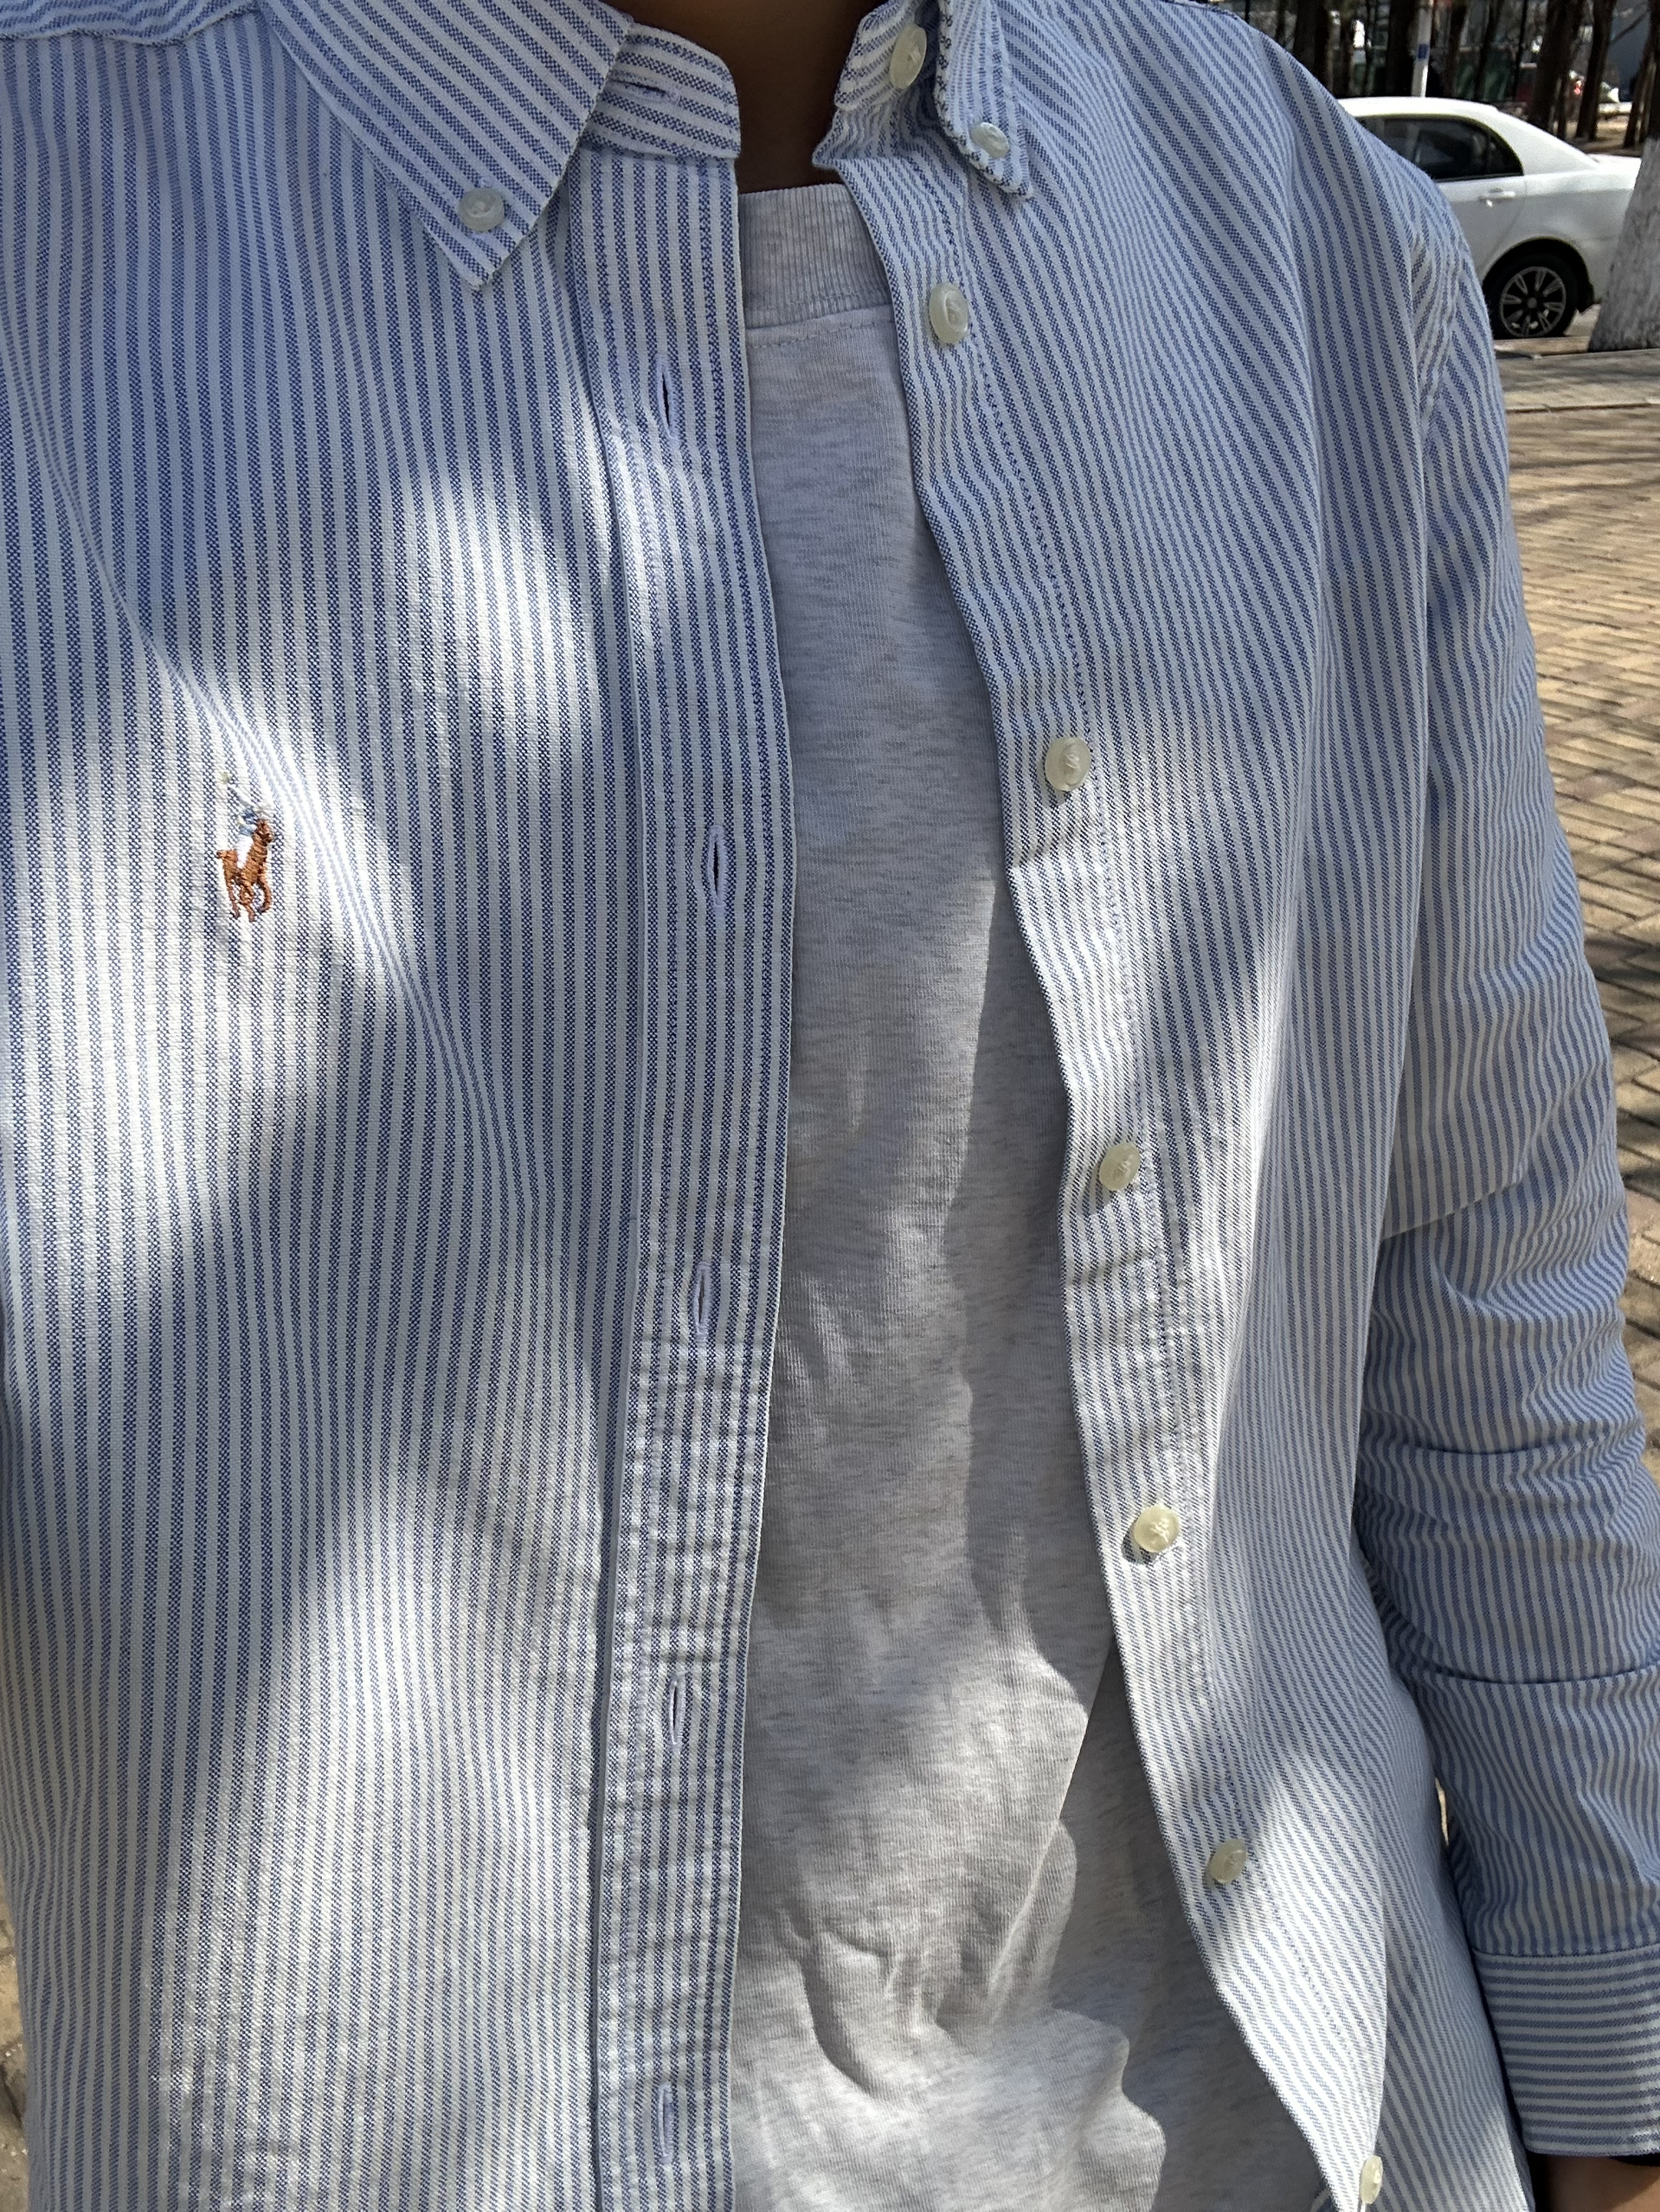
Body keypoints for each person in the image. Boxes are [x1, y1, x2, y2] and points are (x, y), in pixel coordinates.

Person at [0, 0, 1656, 2204]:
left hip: (1291, 2126)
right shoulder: (53, 218)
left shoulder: (1302, 234)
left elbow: (1477, 1262)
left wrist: (1610, 2042)